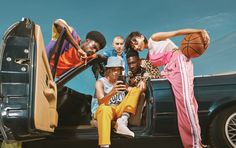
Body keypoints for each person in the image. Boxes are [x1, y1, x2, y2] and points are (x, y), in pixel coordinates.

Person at [125, 29, 210, 148]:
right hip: (169, 71)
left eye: (135, 41)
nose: (135, 45)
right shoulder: (149, 55)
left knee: (186, 103)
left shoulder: (154, 38)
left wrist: (200, 31)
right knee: (181, 107)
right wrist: (143, 81)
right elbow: (149, 72)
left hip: (178, 62)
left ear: (141, 36)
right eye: (132, 45)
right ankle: (191, 144)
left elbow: (177, 33)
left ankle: (197, 144)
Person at [94, 56, 144, 148]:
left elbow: (135, 92)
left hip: (119, 111)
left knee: (135, 90)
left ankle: (122, 122)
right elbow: (101, 102)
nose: (116, 72)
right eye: (113, 69)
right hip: (107, 111)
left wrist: (142, 82)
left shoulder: (121, 82)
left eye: (118, 70)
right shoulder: (100, 82)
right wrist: (112, 92)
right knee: (104, 108)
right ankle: (104, 145)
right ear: (108, 70)